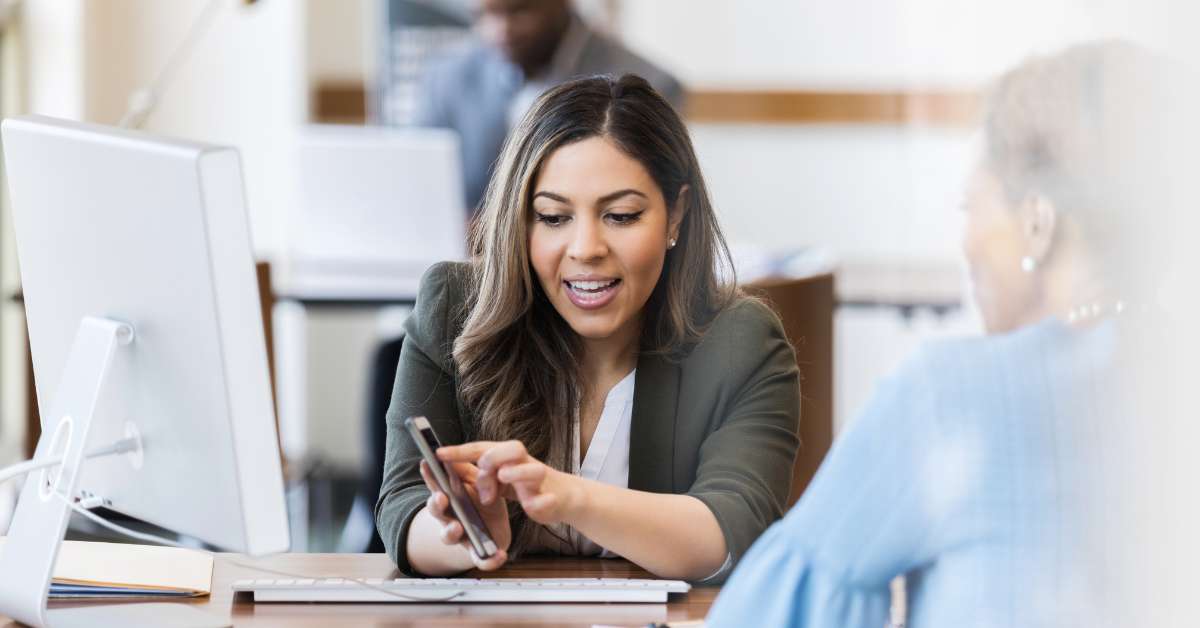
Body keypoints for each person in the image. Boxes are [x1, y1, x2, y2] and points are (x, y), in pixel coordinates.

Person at [707, 41, 1186, 626]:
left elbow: (767, 613)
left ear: (1037, 222)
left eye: (972, 206)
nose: (967, 240)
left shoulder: (953, 395)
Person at [375, 74, 799, 581]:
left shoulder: (741, 341)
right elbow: (403, 506)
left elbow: (728, 533)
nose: (585, 249)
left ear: (676, 216)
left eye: (620, 216)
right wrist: (463, 538)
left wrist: (566, 496)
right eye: (553, 218)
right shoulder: (453, 308)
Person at [413, 0, 684, 212]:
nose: (500, 30)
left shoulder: (648, 85)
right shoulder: (446, 79)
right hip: (467, 265)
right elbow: (419, 185)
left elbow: (649, 203)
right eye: (485, 14)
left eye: (519, 11)